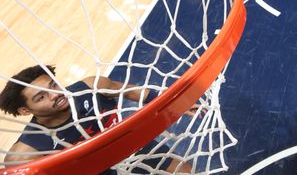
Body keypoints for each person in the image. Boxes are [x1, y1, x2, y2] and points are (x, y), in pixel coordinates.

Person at [0, 64, 189, 172]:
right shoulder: (25, 151)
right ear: (25, 110)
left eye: (54, 86)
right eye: (41, 97)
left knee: (184, 170)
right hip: (95, 171)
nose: (55, 95)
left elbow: (129, 90)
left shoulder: (91, 87)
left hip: (128, 147)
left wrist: (175, 100)